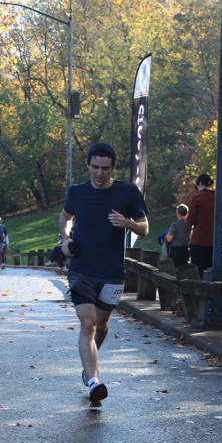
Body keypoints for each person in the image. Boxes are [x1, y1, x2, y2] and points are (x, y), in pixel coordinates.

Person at [59, 142, 149, 405]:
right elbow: (65, 217)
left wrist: (128, 223)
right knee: (88, 324)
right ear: (87, 164)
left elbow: (144, 228)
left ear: (113, 167)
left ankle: (89, 366)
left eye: (105, 168)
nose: (100, 173)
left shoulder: (127, 191)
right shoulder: (77, 192)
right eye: (95, 167)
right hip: (82, 269)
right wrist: (65, 238)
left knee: (101, 325)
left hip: (112, 272)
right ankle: (93, 382)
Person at [186, 173, 215, 276]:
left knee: (198, 272)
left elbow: (190, 221)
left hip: (199, 240)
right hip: (214, 242)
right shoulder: (218, 196)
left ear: (200, 184)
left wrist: (186, 219)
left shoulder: (197, 197)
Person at [165, 203, 191, 268]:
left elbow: (169, 239)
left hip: (176, 249)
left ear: (178, 213)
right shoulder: (189, 224)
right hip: (186, 249)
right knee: (185, 268)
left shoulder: (175, 225)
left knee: (176, 268)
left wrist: (166, 236)